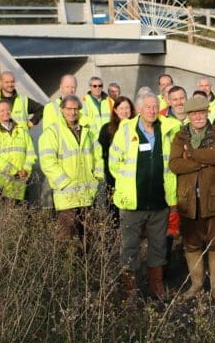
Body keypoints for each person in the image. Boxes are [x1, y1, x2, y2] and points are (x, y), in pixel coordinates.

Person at [108, 92, 179, 300]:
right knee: (130, 247)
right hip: (133, 202)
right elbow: (114, 162)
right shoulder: (126, 129)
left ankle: (156, 286)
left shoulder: (167, 128)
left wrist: (172, 198)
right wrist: (126, 183)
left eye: (155, 106)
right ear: (139, 109)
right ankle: (130, 290)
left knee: (158, 246)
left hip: (159, 201)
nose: (152, 110)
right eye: (148, 107)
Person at [169, 96, 215, 301]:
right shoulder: (179, 137)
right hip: (188, 200)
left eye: (202, 113)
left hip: (214, 198)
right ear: (188, 116)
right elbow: (175, 165)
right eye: (194, 114)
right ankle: (197, 285)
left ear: (207, 114)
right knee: (191, 244)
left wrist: (193, 154)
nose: (198, 117)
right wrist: (201, 162)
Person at [39, 94, 103, 245]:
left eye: (76, 109)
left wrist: (97, 176)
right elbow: (47, 161)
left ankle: (88, 268)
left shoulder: (87, 130)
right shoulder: (52, 132)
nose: (72, 112)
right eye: (69, 109)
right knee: (66, 240)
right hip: (66, 197)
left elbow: (97, 154)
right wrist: (64, 183)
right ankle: (67, 269)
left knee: (89, 239)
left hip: (87, 194)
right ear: (62, 110)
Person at [0, 98, 36, 201]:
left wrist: (26, 171)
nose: (5, 112)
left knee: (11, 215)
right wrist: (13, 171)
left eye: (7, 109)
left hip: (16, 186)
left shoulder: (21, 131)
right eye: (2, 110)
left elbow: (30, 154)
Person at [99, 95, 134, 224]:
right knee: (114, 208)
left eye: (127, 108)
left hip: (131, 176)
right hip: (113, 176)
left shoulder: (136, 126)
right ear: (115, 110)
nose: (125, 111)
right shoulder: (107, 129)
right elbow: (102, 152)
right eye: (121, 108)